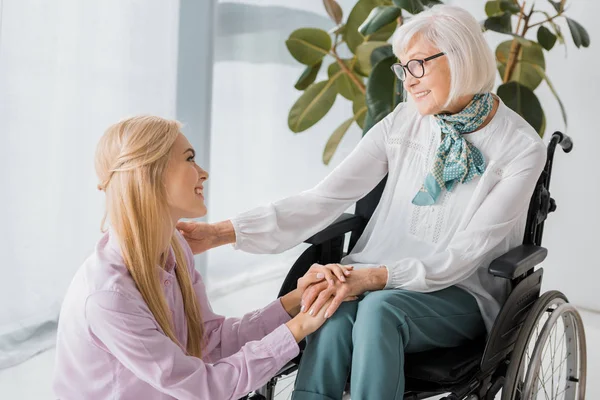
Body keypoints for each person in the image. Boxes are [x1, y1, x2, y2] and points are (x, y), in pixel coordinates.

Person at [178, 4, 548, 399]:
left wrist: (371, 277)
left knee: (379, 310)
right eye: (403, 69)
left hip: (463, 292)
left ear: (460, 58)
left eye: (418, 66)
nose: (408, 82)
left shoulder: (520, 148)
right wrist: (222, 233)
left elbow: (464, 254)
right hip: (377, 280)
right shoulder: (403, 123)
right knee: (330, 310)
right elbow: (325, 198)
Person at [52, 116, 351, 399]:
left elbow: (209, 340)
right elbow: (203, 389)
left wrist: (296, 300)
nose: (203, 173)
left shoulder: (174, 251)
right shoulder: (110, 296)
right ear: (150, 174)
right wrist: (299, 326)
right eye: (190, 158)